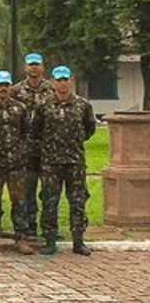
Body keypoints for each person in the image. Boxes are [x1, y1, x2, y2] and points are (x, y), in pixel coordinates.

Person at [31, 65, 97, 256]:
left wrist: (74, 143)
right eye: (58, 80)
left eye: (65, 79)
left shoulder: (83, 105)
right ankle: (50, 241)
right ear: (52, 82)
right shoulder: (43, 105)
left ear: (71, 81)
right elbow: (36, 131)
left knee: (78, 202)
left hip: (74, 162)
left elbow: (89, 129)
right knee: (49, 202)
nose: (62, 83)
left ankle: (78, 241)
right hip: (51, 163)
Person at [0, 71, 33, 255]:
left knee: (19, 201)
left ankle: (22, 238)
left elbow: (26, 132)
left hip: (16, 164)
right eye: (0, 85)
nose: (3, 88)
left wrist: (21, 152)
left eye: (6, 85)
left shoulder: (20, 108)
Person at [10, 52, 53, 243]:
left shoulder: (52, 89)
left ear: (42, 67)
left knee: (49, 192)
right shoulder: (16, 91)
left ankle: (49, 228)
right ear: (25, 68)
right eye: (30, 65)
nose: (34, 68)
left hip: (49, 150)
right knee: (27, 190)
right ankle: (28, 227)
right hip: (25, 150)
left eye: (37, 64)